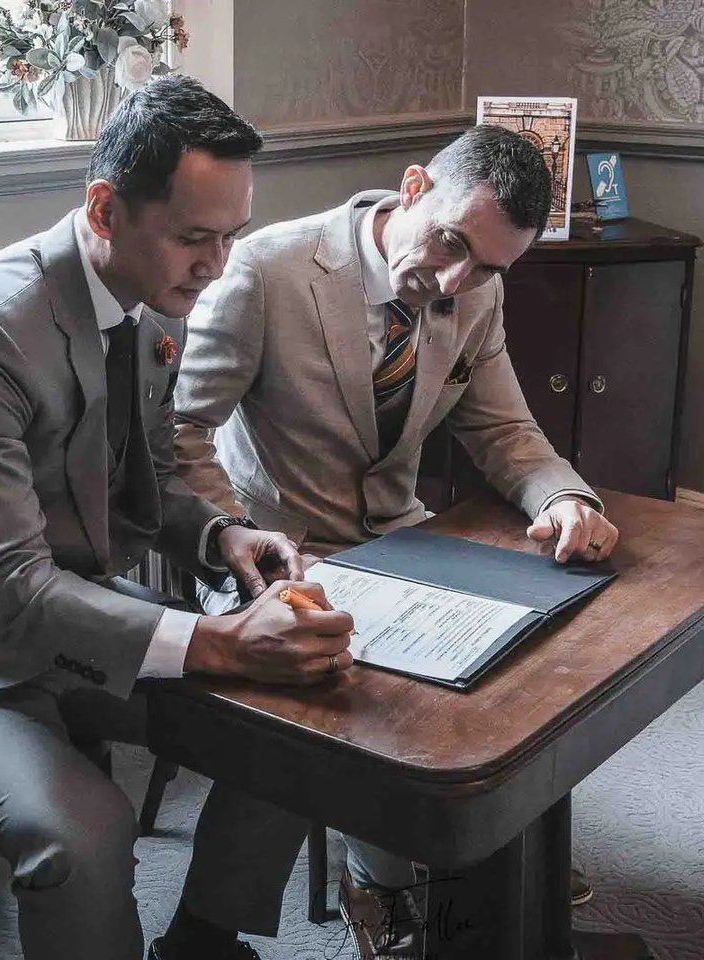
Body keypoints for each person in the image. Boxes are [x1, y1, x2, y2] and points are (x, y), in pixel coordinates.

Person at [0, 74, 353, 960]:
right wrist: (218, 643)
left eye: (232, 236)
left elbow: (141, 481)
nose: (218, 265)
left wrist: (219, 533)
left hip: (71, 619)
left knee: (303, 722)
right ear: (105, 209)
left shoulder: (153, 305)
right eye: (194, 237)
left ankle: (204, 942)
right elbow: (5, 589)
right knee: (86, 835)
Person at [173, 125, 620, 957]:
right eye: (451, 243)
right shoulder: (268, 271)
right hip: (268, 548)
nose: (456, 281)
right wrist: (234, 533)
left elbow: (504, 430)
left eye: (487, 267)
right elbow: (180, 432)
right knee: (311, 691)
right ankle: (214, 931)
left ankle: (486, 859)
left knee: (532, 654)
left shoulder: (476, 290)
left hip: (400, 538)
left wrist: (563, 496)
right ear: (413, 188)